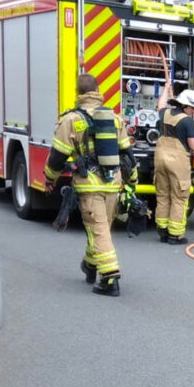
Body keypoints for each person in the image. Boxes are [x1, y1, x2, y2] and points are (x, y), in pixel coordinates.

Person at [44, 74, 137, 297]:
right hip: (113, 183)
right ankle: (90, 264)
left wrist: (50, 178)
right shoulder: (114, 118)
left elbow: (57, 157)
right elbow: (127, 155)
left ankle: (109, 277)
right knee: (99, 227)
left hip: (89, 185)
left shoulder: (70, 120)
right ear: (98, 90)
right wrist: (132, 182)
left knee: (98, 228)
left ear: (78, 93)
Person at [154, 85, 194, 245]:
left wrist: (166, 89)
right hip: (178, 162)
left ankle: (162, 230)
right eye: (192, 108)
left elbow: (160, 104)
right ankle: (175, 235)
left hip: (160, 158)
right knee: (179, 198)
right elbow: (193, 146)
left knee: (162, 195)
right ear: (185, 105)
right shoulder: (188, 121)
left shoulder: (165, 114)